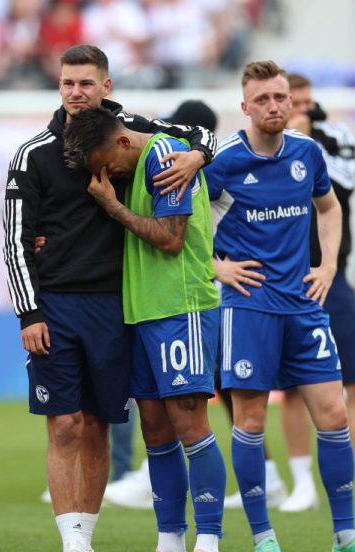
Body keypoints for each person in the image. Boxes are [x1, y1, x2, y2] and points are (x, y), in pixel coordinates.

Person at [2, 44, 215, 552]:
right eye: (67, 83)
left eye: (86, 83)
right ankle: (75, 549)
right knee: (66, 424)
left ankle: (135, 546)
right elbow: (13, 241)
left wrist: (198, 155)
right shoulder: (33, 154)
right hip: (57, 307)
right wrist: (29, 314)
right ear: (59, 86)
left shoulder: (135, 131)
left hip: (122, 306)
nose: (76, 92)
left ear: (106, 87)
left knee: (103, 424)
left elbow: (202, 135)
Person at [204, 60, 355, 552]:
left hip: (304, 306)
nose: (273, 106)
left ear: (292, 102)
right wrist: (216, 269)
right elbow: (180, 224)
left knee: (334, 414)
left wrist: (328, 264)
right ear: (244, 107)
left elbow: (329, 208)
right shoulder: (223, 162)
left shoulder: (308, 153)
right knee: (249, 420)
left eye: (280, 98)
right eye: (262, 99)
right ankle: (264, 537)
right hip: (248, 309)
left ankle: (346, 537)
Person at [101, 99, 289, 512]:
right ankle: (265, 478)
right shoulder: (193, 161)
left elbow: (191, 233)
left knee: (216, 397)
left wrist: (216, 266)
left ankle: (252, 493)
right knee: (217, 393)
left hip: (200, 295)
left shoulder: (192, 166)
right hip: (189, 292)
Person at [64, 107, 227, 552]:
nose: (106, 175)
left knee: (189, 421)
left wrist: (111, 206)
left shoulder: (164, 157)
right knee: (154, 428)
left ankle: (209, 550)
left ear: (120, 144)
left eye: (106, 164)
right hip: (144, 312)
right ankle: (170, 547)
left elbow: (172, 240)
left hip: (181, 307)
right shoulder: (138, 161)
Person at [278, 73, 355, 513]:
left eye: (308, 101)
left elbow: (344, 186)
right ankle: (300, 485)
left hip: (333, 277)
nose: (304, 109)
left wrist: (305, 140)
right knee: (292, 390)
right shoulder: (266, 146)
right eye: (296, 102)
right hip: (285, 282)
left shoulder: (335, 137)